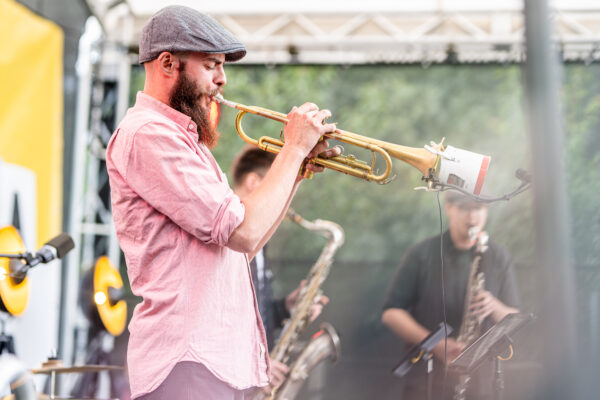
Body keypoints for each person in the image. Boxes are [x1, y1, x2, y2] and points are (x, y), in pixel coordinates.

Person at [105, 5, 340, 400]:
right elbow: (243, 232)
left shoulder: (184, 140)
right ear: (168, 63)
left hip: (208, 364)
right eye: (211, 64)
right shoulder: (148, 134)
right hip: (187, 364)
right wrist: (293, 150)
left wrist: (296, 171)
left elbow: (243, 247)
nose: (222, 79)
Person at [381, 191, 520, 400]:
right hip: (427, 381)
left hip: (480, 382)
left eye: (479, 208)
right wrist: (436, 345)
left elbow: (513, 315)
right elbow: (391, 313)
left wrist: (494, 306)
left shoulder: (499, 256)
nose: (472, 217)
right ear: (448, 208)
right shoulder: (421, 253)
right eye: (465, 208)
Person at [230, 145, 329, 391]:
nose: (285, 195)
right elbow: (214, 318)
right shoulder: (230, 237)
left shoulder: (259, 241)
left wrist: (287, 307)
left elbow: (253, 315)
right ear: (253, 182)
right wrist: (253, 363)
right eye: (281, 184)